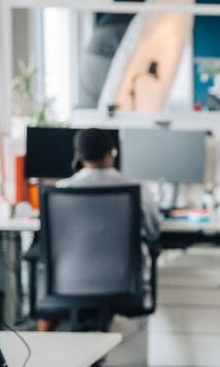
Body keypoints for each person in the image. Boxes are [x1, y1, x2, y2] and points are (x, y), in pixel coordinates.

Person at [33, 128, 161, 331]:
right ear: (112, 152)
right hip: (122, 283)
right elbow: (154, 231)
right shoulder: (138, 188)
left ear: (78, 155)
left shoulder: (61, 190)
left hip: (67, 282)